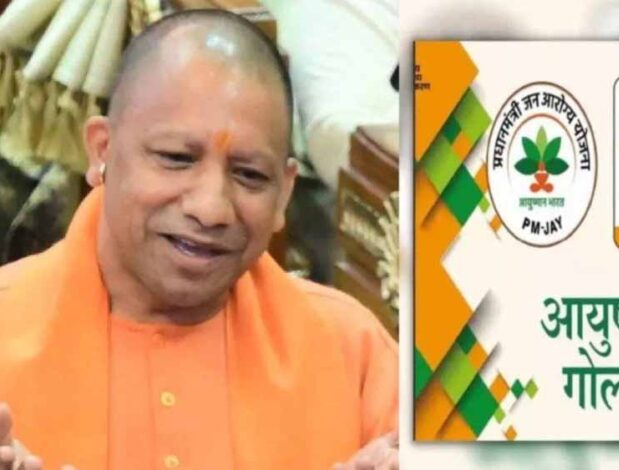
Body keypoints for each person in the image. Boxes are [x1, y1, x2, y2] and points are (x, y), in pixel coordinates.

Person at [0, 10, 398, 470]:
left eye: (250, 175)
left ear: (284, 193)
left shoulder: (351, 348)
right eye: (176, 158)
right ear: (102, 150)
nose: (211, 209)